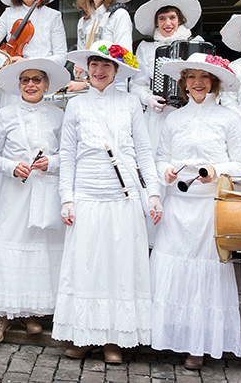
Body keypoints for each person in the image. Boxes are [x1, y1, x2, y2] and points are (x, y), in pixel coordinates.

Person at [53, 40, 162, 364]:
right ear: (86, 69)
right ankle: (84, 335)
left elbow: (143, 151)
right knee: (86, 265)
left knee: (119, 266)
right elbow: (68, 156)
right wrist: (67, 198)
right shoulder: (76, 105)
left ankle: (115, 337)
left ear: (116, 71)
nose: (99, 71)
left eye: (106, 66)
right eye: (94, 65)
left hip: (123, 195)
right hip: (87, 193)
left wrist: (152, 193)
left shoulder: (130, 104)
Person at [150, 52, 241, 370]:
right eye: (191, 77)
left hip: (209, 209)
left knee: (203, 273)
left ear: (214, 83)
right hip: (177, 207)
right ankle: (169, 335)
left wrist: (214, 169)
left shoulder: (229, 119)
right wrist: (164, 169)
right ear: (183, 83)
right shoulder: (173, 118)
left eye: (204, 77)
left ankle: (199, 345)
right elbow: (160, 156)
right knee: (173, 269)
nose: (197, 83)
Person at [0, 58, 70, 344]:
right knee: (10, 245)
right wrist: (10, 166)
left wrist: (50, 162)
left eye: (36, 80)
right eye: (25, 80)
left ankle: (32, 313)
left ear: (46, 84)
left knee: (39, 248)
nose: (30, 85)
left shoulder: (58, 115)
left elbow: (68, 154)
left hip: (46, 190)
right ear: (19, 84)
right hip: (15, 192)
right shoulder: (5, 114)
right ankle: (2, 316)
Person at [130, 0, 204, 151]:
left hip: (190, 115)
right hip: (159, 116)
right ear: (156, 23)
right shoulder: (147, 49)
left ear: (180, 20)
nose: (167, 22)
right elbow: (136, 85)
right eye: (162, 18)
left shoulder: (196, 45)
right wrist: (149, 99)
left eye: (172, 17)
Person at [63, 0, 133, 92]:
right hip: (87, 90)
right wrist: (79, 67)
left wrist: (87, 83)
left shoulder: (119, 15)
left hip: (114, 88)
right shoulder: (84, 20)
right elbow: (82, 56)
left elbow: (125, 58)